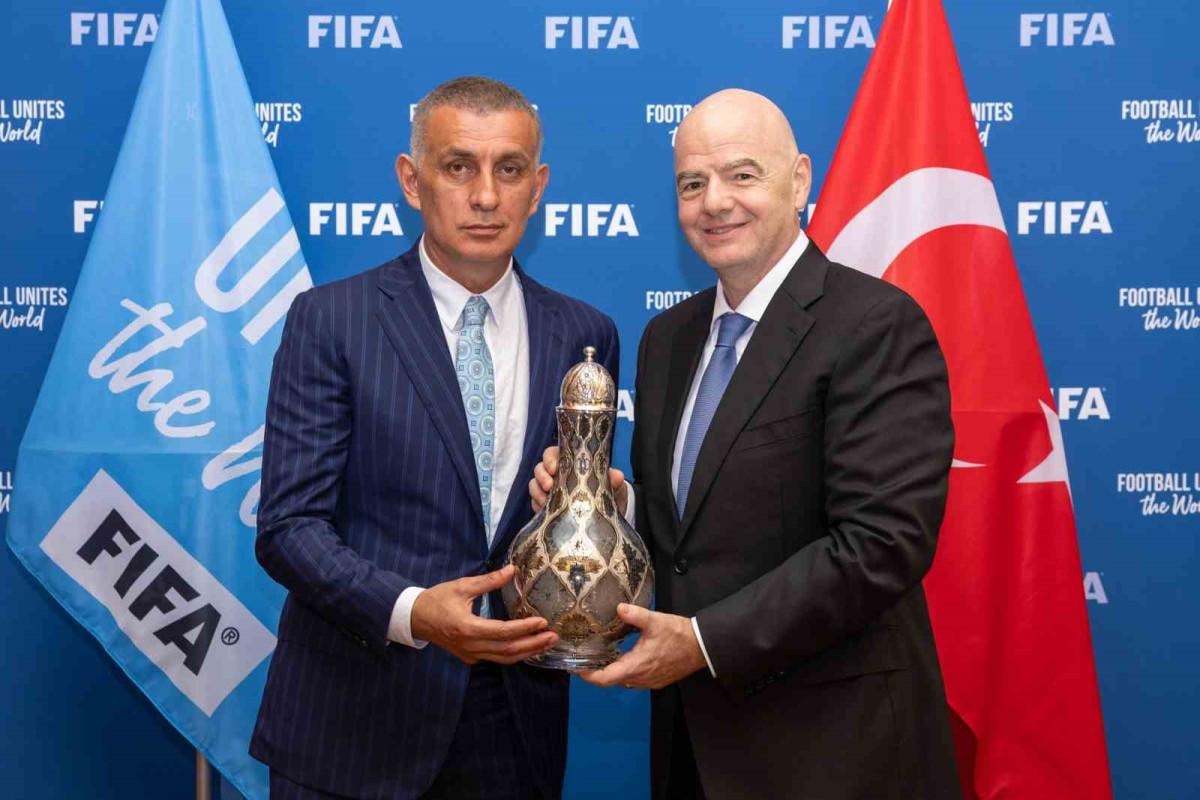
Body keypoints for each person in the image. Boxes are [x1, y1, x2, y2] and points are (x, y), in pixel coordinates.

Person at [531, 88, 960, 799]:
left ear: (799, 180)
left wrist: (703, 643)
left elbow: (882, 543)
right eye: (691, 184)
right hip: (694, 751)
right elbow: (692, 537)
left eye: (741, 175)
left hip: (834, 755)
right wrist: (609, 510)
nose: (715, 202)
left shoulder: (876, 325)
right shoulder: (668, 339)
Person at [251, 76, 619, 800]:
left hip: (514, 728)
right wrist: (413, 612)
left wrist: (607, 501)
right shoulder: (331, 320)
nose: (485, 196)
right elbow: (289, 528)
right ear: (411, 180)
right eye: (458, 167)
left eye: (509, 169)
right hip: (353, 723)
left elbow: (582, 516)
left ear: (538, 187)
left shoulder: (585, 335)